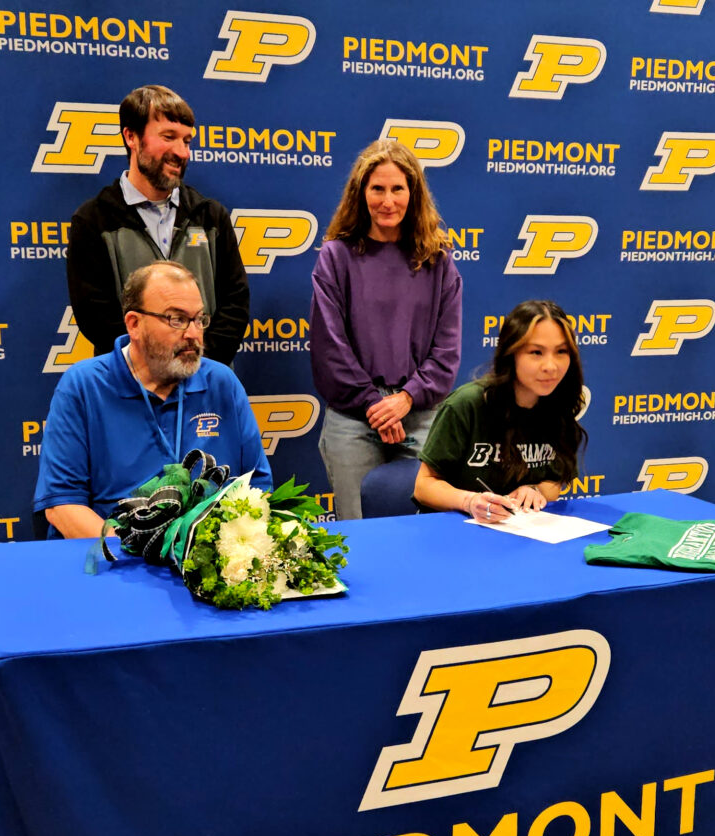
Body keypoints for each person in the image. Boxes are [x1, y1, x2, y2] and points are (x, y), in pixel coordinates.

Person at [35, 261, 271, 539]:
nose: (193, 334)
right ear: (134, 324)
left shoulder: (222, 382)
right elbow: (63, 505)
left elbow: (257, 486)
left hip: (206, 559)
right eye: (176, 319)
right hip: (117, 561)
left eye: (198, 319)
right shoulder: (84, 385)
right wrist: (130, 554)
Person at [309, 139, 462, 520]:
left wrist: (407, 398)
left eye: (398, 189)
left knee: (429, 537)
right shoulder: (336, 256)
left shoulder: (438, 261)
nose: (387, 201)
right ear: (360, 193)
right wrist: (373, 404)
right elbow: (330, 346)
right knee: (358, 537)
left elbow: (446, 351)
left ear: (414, 194)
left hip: (423, 415)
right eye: (377, 189)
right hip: (355, 419)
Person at [66, 84, 249, 365]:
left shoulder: (211, 217)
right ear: (131, 136)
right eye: (169, 137)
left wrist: (196, 364)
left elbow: (234, 304)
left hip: (204, 383)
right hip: (127, 388)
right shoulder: (93, 221)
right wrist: (156, 367)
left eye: (187, 141)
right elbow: (96, 318)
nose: (183, 152)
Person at [413, 299, 586, 523]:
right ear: (510, 354)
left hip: (520, 533)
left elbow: (555, 481)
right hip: (455, 531)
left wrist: (535, 490)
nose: (551, 366)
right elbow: (424, 486)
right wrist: (470, 501)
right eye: (536, 352)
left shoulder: (559, 406)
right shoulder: (466, 405)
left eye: (561, 351)